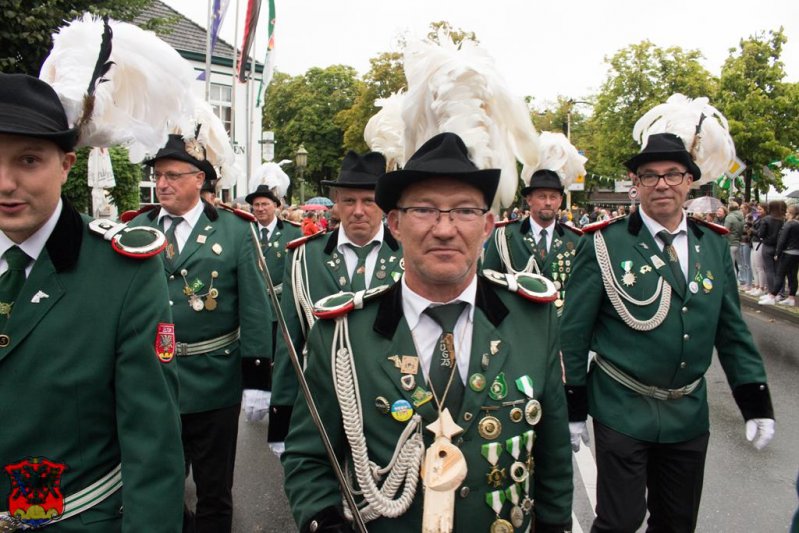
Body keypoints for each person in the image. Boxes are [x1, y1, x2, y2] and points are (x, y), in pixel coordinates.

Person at [282, 132, 573, 532]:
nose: (444, 229)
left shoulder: (532, 322)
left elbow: (554, 454)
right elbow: (309, 458)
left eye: (464, 211)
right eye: (425, 210)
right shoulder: (342, 336)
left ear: (488, 225)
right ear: (396, 224)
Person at [561, 132, 775, 533]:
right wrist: (572, 407)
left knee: (677, 522)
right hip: (621, 406)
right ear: (635, 184)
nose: (662, 184)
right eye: (650, 175)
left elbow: (731, 332)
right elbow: (572, 334)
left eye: (673, 174)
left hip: (688, 412)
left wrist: (755, 397)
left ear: (689, 181)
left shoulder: (711, 245)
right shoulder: (605, 244)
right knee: (619, 522)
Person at [0, 73, 184, 531]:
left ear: (65, 164)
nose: (6, 183)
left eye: (28, 160)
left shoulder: (124, 272)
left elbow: (151, 439)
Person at [129, 134, 272, 533]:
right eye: (158, 175)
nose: (162, 184)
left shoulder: (233, 231)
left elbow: (255, 306)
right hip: (152, 380)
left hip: (214, 381)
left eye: (173, 175)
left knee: (214, 490)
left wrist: (257, 379)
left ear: (199, 180)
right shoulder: (137, 229)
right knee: (158, 485)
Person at [268, 151, 404, 452]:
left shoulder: (409, 256)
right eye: (348, 201)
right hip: (323, 401)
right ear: (336, 204)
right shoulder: (304, 257)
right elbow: (290, 339)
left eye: (369, 201)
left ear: (384, 205)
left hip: (395, 404)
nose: (358, 211)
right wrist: (281, 415)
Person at [483, 169, 583, 314]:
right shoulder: (504, 236)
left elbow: (581, 292)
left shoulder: (575, 240)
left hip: (560, 326)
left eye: (553, 197)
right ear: (529, 200)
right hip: (517, 324)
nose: (548, 203)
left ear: (560, 201)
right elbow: (487, 285)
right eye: (542, 197)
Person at [245, 184, 302, 411]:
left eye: (265, 204)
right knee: (256, 353)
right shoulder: (245, 231)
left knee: (281, 353)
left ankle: (279, 397)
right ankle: (257, 395)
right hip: (253, 305)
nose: (259, 209)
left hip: (281, 304)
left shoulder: (292, 232)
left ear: (276, 207)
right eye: (256, 205)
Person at [759, 204, 799, 306]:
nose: (785, 214)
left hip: (787, 253)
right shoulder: (797, 224)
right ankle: (791, 298)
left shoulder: (788, 224)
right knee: (792, 276)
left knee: (780, 274)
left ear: (790, 214)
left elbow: (782, 240)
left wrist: (777, 253)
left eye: (786, 212)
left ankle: (772, 296)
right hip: (796, 253)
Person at [757, 200, 786, 301]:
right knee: (779, 270)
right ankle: (780, 293)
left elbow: (760, 234)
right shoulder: (783, 220)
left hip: (768, 245)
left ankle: (771, 292)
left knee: (769, 270)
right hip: (779, 247)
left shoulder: (766, 219)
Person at [724, 201, 744, 277]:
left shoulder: (729, 217)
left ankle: (734, 282)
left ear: (729, 208)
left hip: (730, 242)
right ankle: (742, 279)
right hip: (738, 241)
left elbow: (725, 230)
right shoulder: (741, 217)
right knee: (740, 264)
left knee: (731, 265)